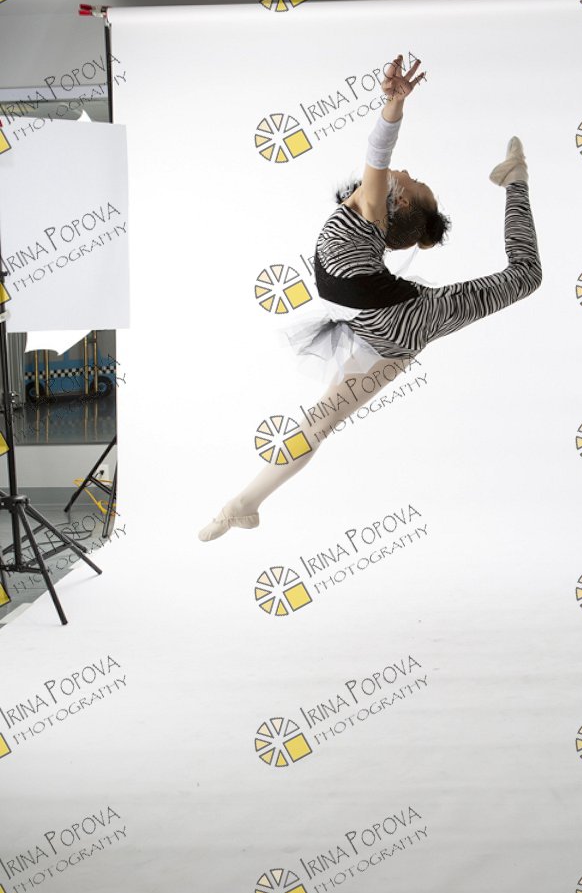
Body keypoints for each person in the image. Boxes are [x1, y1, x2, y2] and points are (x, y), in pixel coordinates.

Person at [199, 54, 542, 541]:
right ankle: (242, 505)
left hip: (397, 323)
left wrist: (394, 104)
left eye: (413, 180)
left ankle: (514, 177)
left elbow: (379, 149)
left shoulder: (369, 207)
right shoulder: (365, 218)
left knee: (320, 422)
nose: (406, 171)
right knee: (524, 277)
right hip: (391, 331)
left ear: (397, 199)